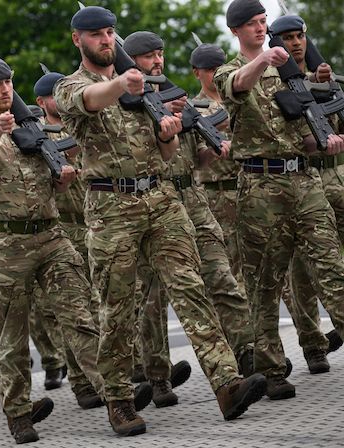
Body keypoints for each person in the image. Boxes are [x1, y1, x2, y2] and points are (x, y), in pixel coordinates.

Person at [54, 5, 268, 436]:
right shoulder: (70, 87)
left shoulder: (145, 89)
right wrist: (120, 82)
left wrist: (169, 135)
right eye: (95, 35)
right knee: (118, 305)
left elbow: (166, 152)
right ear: (78, 40)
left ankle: (226, 383)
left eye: (110, 32)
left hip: (162, 197)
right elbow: (91, 101)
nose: (105, 40)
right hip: (111, 207)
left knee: (191, 287)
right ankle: (118, 399)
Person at [0, 53, 111, 444]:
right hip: (8, 246)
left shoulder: (35, 130)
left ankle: (116, 396)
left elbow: (55, 176)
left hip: (53, 237)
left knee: (81, 318)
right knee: (12, 336)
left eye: (8, 82)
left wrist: (63, 177)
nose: (4, 89)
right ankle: (19, 415)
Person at [215, 0, 344, 399]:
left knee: (333, 267)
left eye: (262, 21)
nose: (260, 27)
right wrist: (265, 59)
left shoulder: (292, 75)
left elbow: (300, 134)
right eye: (252, 24)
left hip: (303, 181)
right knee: (263, 284)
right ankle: (271, 371)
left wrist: (325, 143)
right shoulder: (230, 70)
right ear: (236, 30)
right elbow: (236, 86)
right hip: (259, 188)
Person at [269, 14, 343, 374]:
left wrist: (329, 87)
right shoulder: (275, 85)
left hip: (339, 180)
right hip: (306, 182)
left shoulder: (328, 81)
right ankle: (313, 344)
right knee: (301, 275)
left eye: (300, 36)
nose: (295, 43)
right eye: (287, 37)